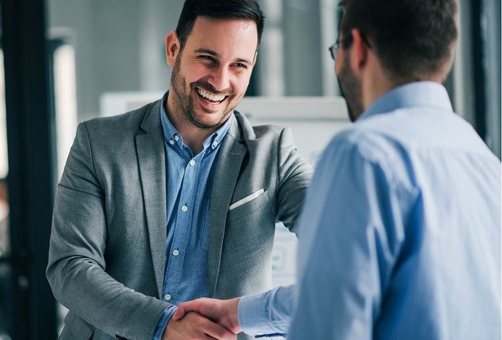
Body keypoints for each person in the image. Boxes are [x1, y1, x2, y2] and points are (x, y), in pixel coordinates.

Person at [173, 0, 502, 339]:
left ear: (356, 49)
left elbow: (331, 323)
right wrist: (241, 313)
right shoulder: (486, 164)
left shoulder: (364, 154)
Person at [46, 0, 313, 339]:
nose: (220, 81)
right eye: (207, 59)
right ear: (174, 48)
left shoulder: (273, 155)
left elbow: (342, 241)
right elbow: (70, 269)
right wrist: (163, 325)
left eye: (239, 66)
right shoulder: (98, 143)